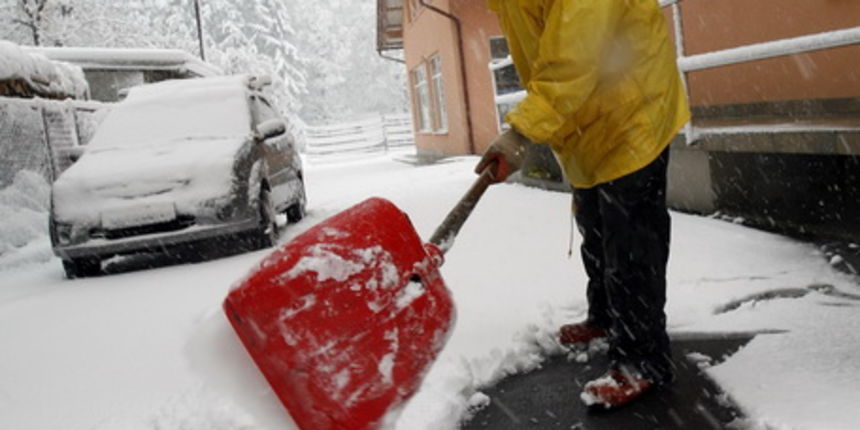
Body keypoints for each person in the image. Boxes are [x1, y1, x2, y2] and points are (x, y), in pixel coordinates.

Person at [479, 0, 691, 408]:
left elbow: (572, 55)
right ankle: (607, 316)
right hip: (587, 118)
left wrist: (522, 131)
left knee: (630, 240)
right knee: (595, 224)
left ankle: (643, 360)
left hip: (632, 107)